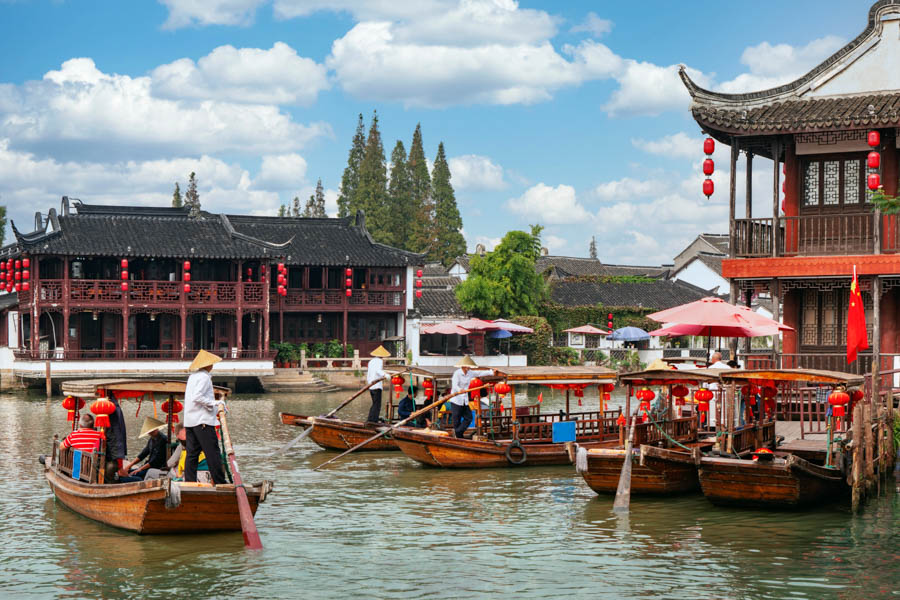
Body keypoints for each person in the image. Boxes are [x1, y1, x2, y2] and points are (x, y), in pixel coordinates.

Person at [183, 349, 228, 485]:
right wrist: (216, 403)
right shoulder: (204, 377)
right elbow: (198, 397)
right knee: (212, 451)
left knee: (192, 453)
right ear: (209, 365)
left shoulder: (193, 377)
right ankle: (220, 481)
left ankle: (189, 482)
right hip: (202, 420)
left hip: (191, 421)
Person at [449, 356, 495, 438]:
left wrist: (491, 372)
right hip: (456, 400)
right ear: (463, 366)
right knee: (456, 420)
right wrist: (460, 390)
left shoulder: (470, 373)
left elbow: (479, 373)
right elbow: (454, 385)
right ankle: (459, 437)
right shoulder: (457, 373)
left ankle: (458, 432)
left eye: (469, 366)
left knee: (469, 418)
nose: (469, 368)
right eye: (467, 366)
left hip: (464, 400)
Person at [119, 417, 169, 482]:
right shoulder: (152, 439)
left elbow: (154, 461)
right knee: (128, 472)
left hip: (155, 468)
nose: (150, 433)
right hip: (148, 466)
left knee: (134, 476)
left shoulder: (163, 440)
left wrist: (140, 469)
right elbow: (143, 454)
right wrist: (129, 466)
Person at [366, 345, 390, 424]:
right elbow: (378, 371)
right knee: (377, 404)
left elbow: (369, 374)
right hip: (376, 386)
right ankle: (373, 420)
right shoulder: (379, 361)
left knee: (374, 403)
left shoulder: (371, 361)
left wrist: (369, 382)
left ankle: (371, 418)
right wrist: (385, 375)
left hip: (371, 385)